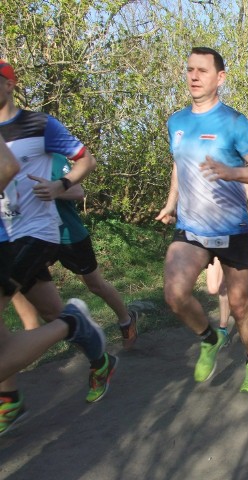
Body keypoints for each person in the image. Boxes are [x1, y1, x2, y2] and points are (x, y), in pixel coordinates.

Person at [0, 61, 114, 435]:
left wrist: (60, 186)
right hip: (4, 236)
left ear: (10, 85)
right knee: (50, 310)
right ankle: (99, 358)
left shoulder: (40, 124)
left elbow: (87, 160)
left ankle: (9, 398)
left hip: (36, 232)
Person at [155, 47, 248, 393]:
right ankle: (209, 338)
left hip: (233, 228)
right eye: (189, 69)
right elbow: (180, 165)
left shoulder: (235, 122)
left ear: (220, 78)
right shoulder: (176, 121)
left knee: (239, 307)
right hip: (191, 227)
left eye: (202, 71)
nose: (193, 76)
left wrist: (232, 172)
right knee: (175, 296)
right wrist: (170, 203)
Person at [11, 153, 139, 348]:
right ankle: (33, 333)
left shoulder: (53, 159)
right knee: (21, 282)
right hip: (35, 237)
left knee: (95, 285)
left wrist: (53, 190)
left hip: (68, 235)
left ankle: (126, 319)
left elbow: (78, 192)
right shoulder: (12, 161)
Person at [205, 183, 248, 344]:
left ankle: (224, 329)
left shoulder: (244, 180)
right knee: (213, 287)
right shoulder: (214, 180)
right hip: (216, 238)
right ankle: (235, 317)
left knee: (229, 290)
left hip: (237, 239)